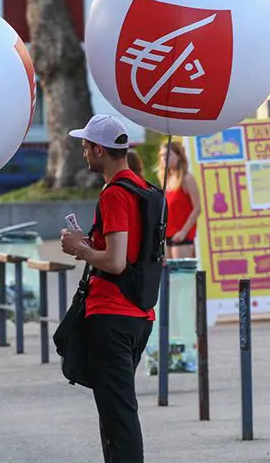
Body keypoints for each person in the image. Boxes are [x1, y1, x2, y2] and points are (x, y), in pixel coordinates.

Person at [59, 114, 155, 463]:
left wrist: (79, 249)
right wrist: (92, 244)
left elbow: (115, 262)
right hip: (139, 312)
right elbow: (129, 251)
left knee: (118, 414)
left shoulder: (115, 194)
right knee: (117, 409)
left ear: (100, 149)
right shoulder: (143, 189)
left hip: (112, 313)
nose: (84, 154)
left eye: (86, 147)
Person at [157, 141, 201, 259]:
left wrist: (184, 232)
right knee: (168, 275)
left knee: (181, 274)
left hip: (182, 235)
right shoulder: (165, 180)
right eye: (162, 156)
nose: (164, 158)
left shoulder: (186, 178)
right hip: (167, 235)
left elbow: (197, 208)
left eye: (168, 155)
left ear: (178, 157)